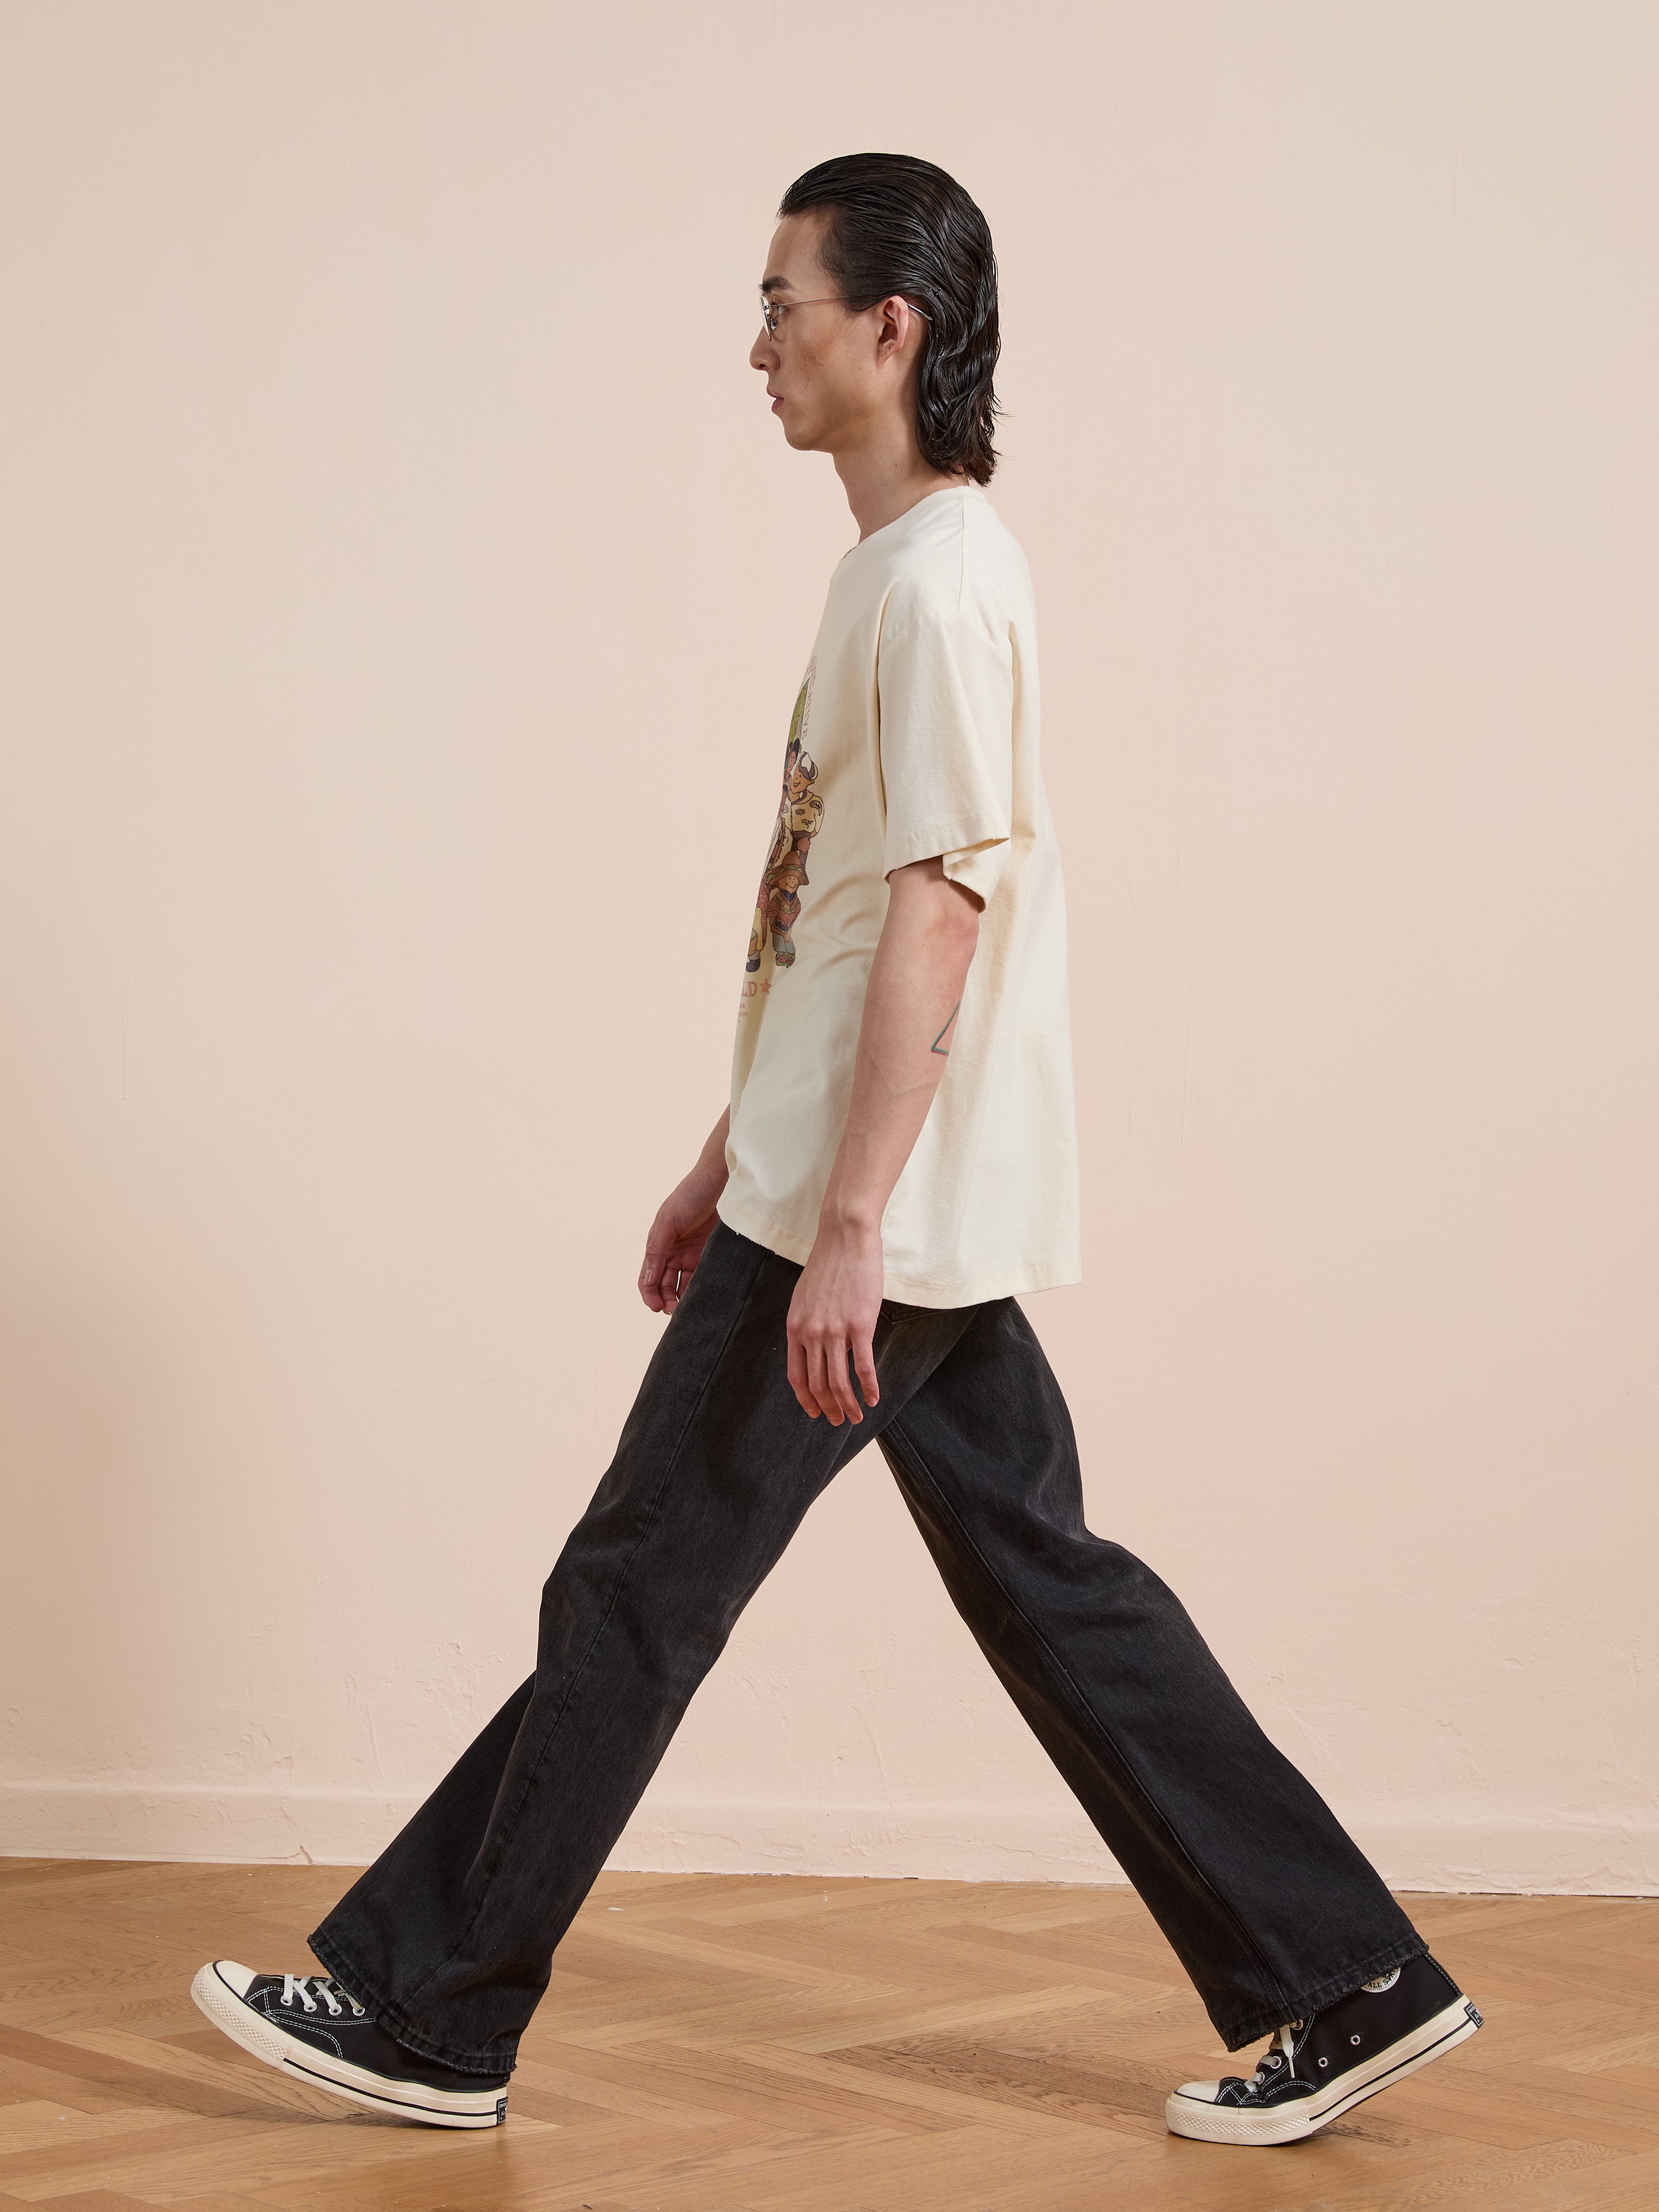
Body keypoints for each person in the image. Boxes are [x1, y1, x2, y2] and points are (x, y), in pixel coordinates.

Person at [191, 152, 1481, 2150]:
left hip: (868, 1214)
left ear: (895, 329)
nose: (761, 340)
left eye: (789, 300)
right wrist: (731, 1147)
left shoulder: (949, 582)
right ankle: (1349, 1974)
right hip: (851, 1189)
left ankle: (436, 2011)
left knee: (634, 1586)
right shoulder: (894, 569)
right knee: (1049, 1579)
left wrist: (843, 1212)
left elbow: (950, 910)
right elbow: (847, 921)